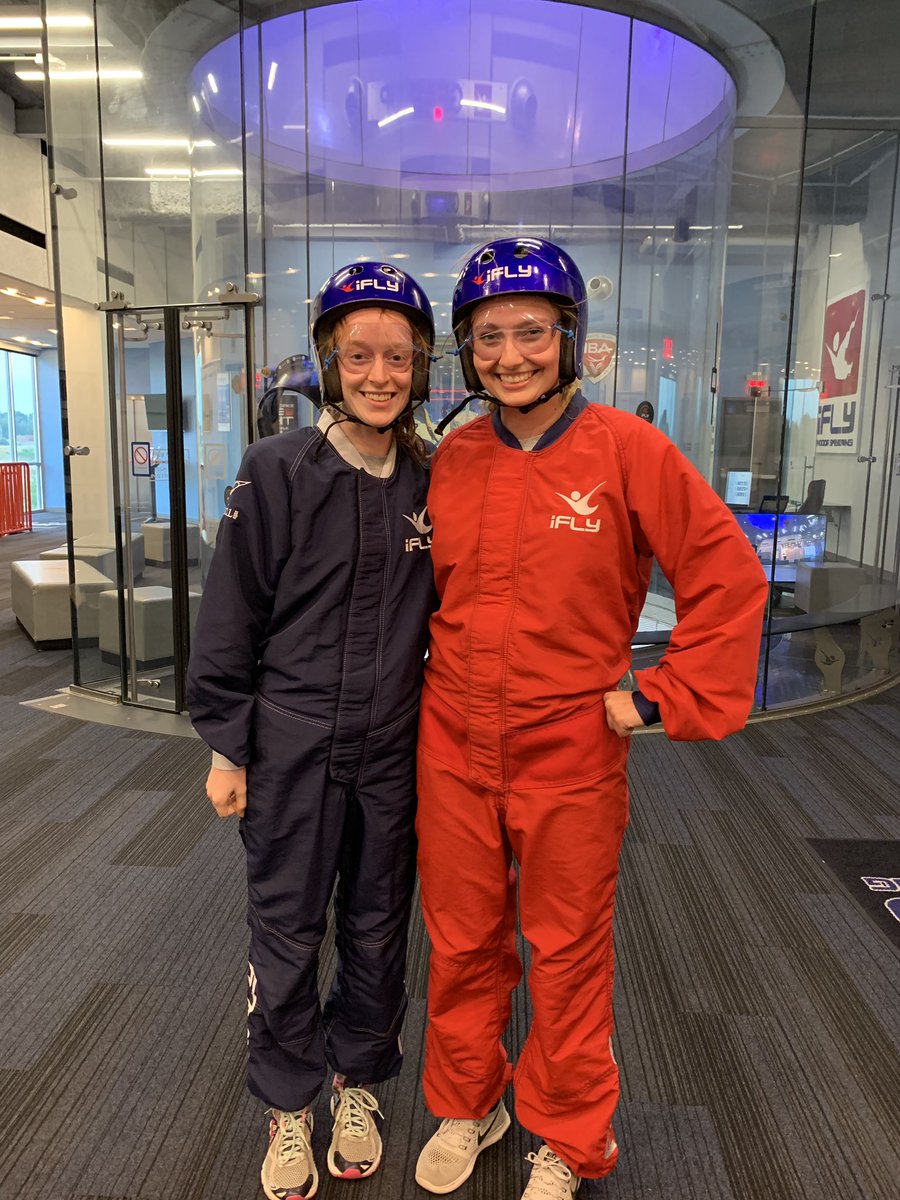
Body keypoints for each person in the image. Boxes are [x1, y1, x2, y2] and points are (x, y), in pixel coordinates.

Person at [413, 237, 769, 1199]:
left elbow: (729, 580)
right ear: (466, 348)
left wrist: (659, 691)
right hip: (451, 740)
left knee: (565, 948)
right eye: (489, 336)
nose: (510, 354)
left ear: (571, 338)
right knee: (459, 936)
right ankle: (470, 1098)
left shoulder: (629, 450)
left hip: (569, 744)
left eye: (532, 331)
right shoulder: (452, 456)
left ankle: (570, 1137)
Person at [187, 261, 436, 1200]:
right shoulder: (278, 469)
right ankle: (289, 1105)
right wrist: (227, 746)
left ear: (419, 365)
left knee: (376, 929)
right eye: (360, 356)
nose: (380, 374)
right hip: (290, 744)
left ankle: (357, 1084)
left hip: (393, 748)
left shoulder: (427, 475)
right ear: (329, 361)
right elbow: (230, 617)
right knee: (287, 933)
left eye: (399, 358)